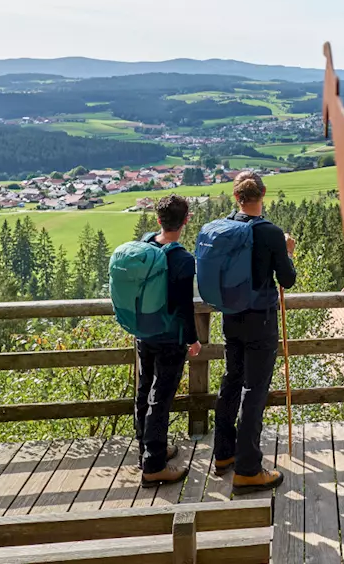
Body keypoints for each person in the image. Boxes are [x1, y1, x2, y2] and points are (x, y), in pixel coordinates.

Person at [213, 171, 296, 494]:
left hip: (231, 317)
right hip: (260, 320)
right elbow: (286, 280)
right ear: (263, 195)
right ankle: (248, 469)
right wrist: (287, 251)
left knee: (232, 379)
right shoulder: (271, 233)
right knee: (255, 388)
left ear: (237, 197)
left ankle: (223, 454)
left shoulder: (223, 230)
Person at [132, 195, 201, 487]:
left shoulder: (145, 245)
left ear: (158, 220)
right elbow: (185, 307)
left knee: (144, 389)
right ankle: (154, 465)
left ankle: (148, 449)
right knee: (160, 399)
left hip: (143, 331)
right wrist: (193, 340)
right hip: (169, 337)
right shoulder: (183, 259)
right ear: (186, 220)